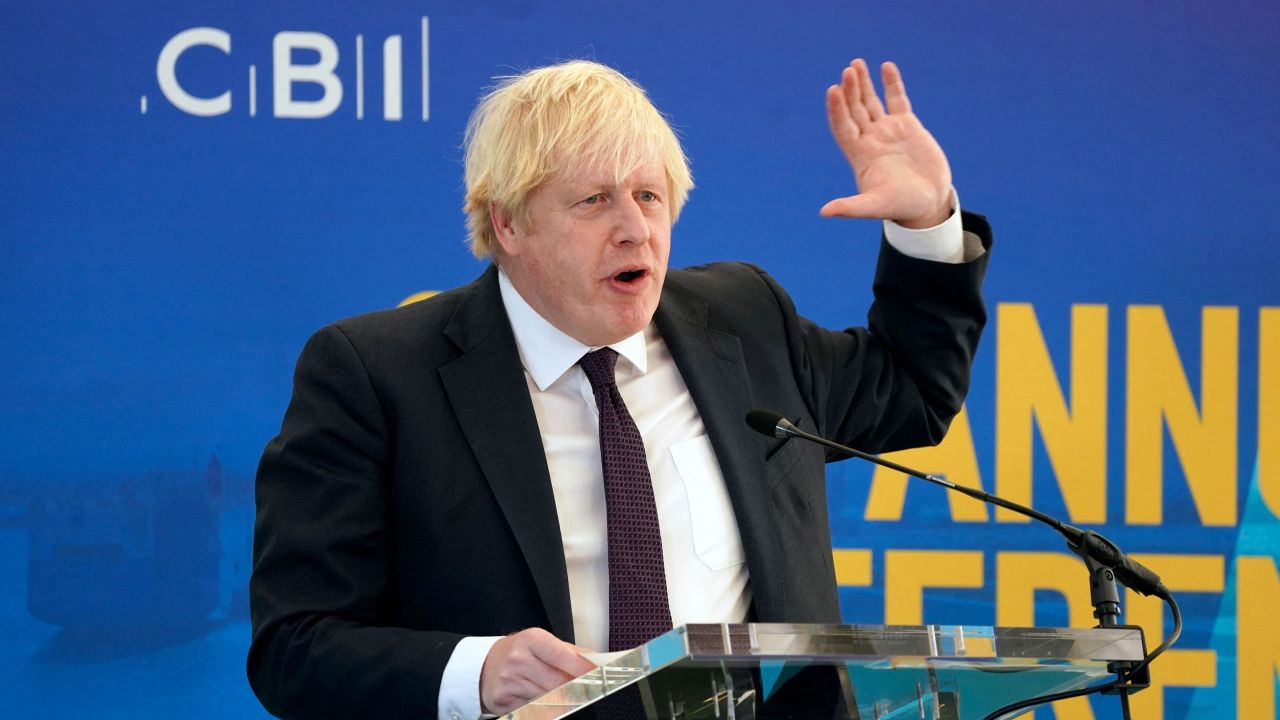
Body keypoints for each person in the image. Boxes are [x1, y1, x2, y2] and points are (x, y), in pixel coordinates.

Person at [248, 57, 991, 720]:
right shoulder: (377, 375)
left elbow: (912, 390)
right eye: (594, 202)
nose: (636, 230)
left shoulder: (745, 321)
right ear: (508, 223)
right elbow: (295, 647)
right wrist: (475, 673)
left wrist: (926, 221)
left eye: (649, 195)